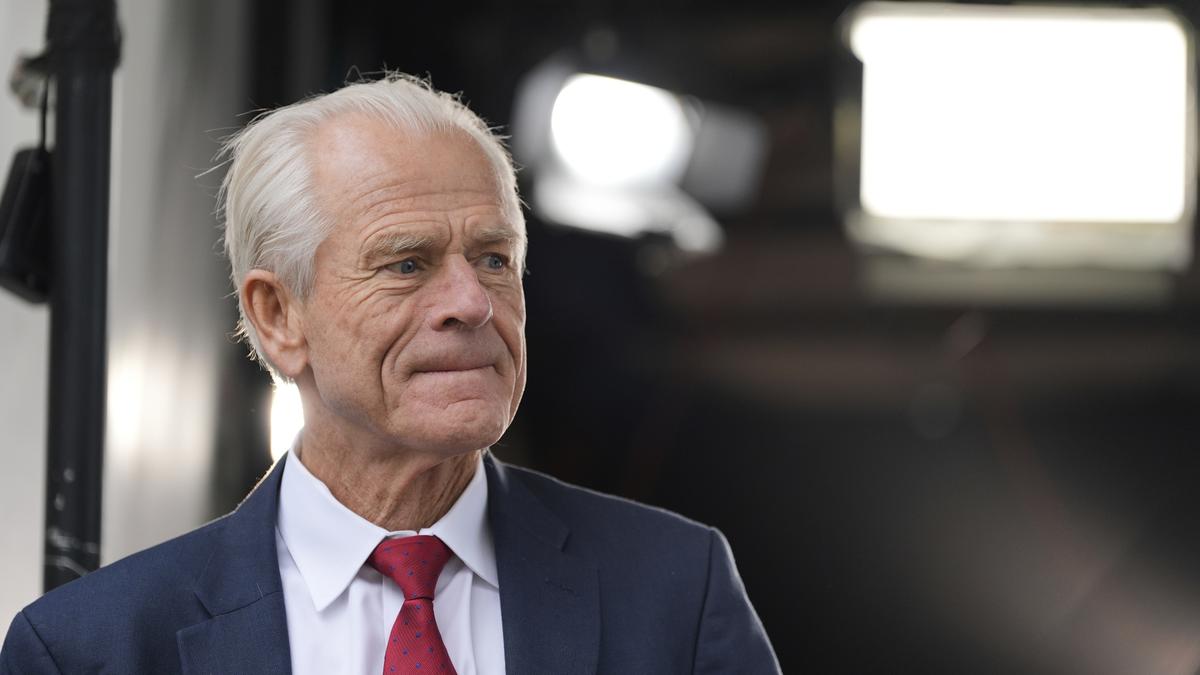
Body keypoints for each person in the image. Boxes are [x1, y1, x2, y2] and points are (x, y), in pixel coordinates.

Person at [0, 74, 779, 674]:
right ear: (279, 316)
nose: (472, 302)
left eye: (494, 259)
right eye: (407, 264)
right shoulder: (93, 649)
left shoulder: (675, 592)